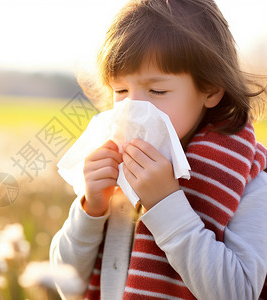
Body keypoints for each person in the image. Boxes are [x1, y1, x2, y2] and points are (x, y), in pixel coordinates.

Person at [50, 0, 267, 299]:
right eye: (121, 91)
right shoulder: (117, 171)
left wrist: (166, 205)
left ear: (211, 89)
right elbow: (64, 282)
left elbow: (239, 292)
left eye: (157, 91)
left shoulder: (248, 183)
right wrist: (91, 208)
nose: (134, 108)